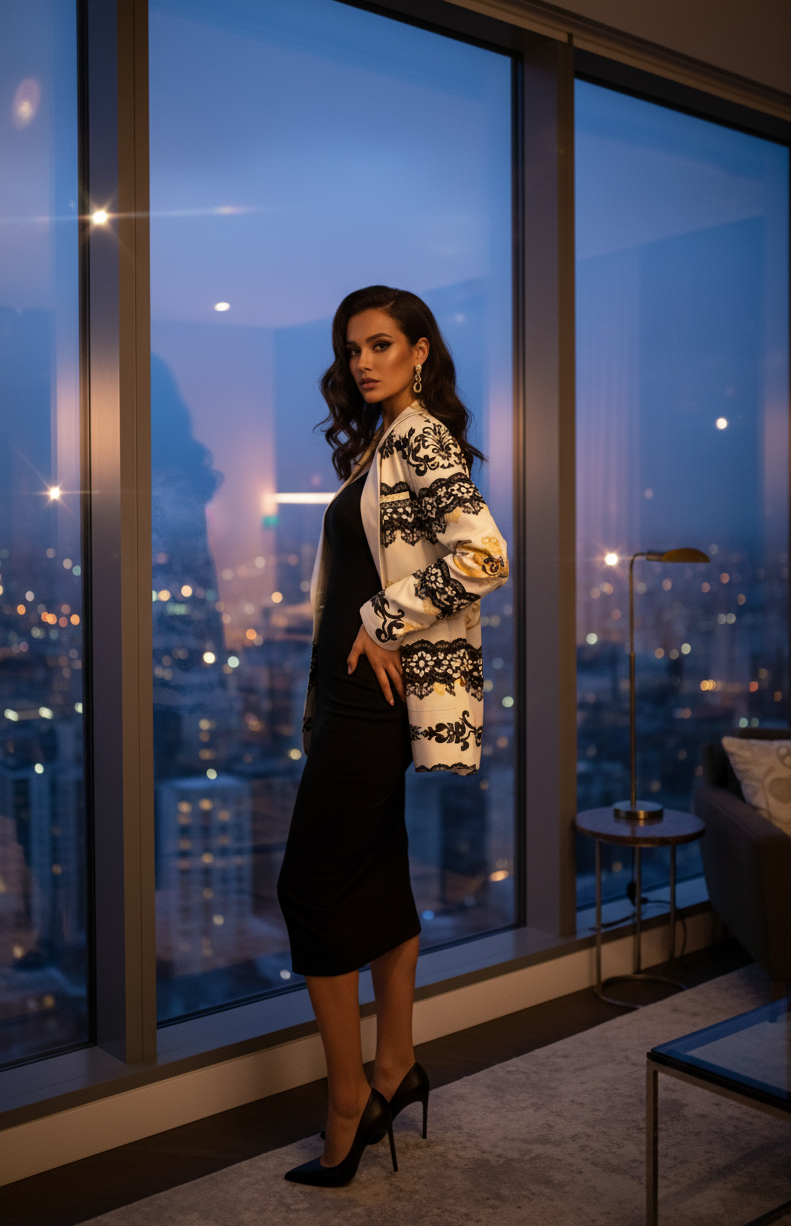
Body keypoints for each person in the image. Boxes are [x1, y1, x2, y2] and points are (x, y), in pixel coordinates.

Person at [277, 286, 508, 1187]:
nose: (363, 362)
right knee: (374, 872)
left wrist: (383, 615)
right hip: (351, 700)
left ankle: (347, 1102)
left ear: (419, 351)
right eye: (352, 350)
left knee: (311, 885)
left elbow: (484, 552)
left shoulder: (418, 436)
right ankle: (395, 1064)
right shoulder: (383, 443)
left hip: (371, 702)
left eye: (380, 345)